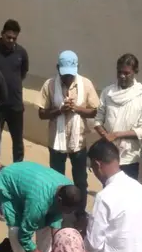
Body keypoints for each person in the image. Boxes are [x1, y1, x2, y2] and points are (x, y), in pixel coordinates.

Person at [0, 162, 81, 252]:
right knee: (16, 230)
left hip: (29, 183)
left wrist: (57, 247)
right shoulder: (38, 203)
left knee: (45, 225)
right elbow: (24, 237)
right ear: (59, 200)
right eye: (66, 210)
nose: (67, 213)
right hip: (8, 183)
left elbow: (56, 218)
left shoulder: (68, 188)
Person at [38, 50, 100, 213]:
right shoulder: (50, 85)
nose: (67, 78)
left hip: (78, 142)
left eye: (70, 75)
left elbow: (94, 111)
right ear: (57, 68)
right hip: (56, 142)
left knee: (80, 180)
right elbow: (41, 113)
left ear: (77, 68)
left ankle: (79, 213)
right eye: (64, 74)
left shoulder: (86, 84)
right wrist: (60, 110)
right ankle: (57, 212)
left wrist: (76, 109)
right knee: (56, 180)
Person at [93, 54, 142, 181]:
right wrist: (106, 136)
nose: (122, 76)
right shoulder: (108, 92)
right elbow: (98, 120)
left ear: (135, 72)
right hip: (108, 154)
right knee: (108, 188)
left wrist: (117, 135)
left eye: (126, 73)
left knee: (127, 190)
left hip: (129, 157)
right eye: (119, 72)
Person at [0, 20, 29, 162]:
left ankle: (18, 168)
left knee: (18, 141)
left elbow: (23, 73)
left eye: (14, 38)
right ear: (2, 34)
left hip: (15, 104)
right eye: (8, 37)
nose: (11, 41)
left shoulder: (21, 53)